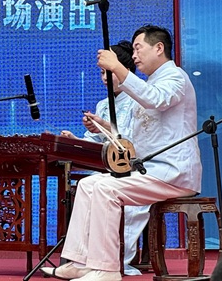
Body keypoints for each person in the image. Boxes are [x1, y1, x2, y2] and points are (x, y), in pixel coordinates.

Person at [42, 25, 202, 281]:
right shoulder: (150, 83)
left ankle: (107, 269)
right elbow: (132, 137)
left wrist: (117, 66)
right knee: (88, 185)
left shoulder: (175, 78)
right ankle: (79, 261)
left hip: (172, 170)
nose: (135, 56)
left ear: (159, 48)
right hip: (150, 169)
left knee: (105, 189)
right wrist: (105, 127)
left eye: (138, 48)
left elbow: (156, 99)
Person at [60, 40, 150, 276]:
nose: (103, 79)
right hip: (105, 170)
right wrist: (76, 139)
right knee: (87, 187)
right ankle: (81, 261)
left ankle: (112, 261)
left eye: (108, 73)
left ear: (125, 70)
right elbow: (97, 144)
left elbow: (135, 142)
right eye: (101, 73)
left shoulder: (139, 100)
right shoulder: (102, 105)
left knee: (116, 199)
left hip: (132, 168)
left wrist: (105, 127)